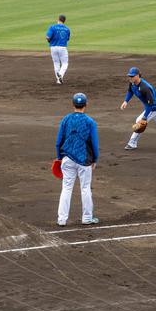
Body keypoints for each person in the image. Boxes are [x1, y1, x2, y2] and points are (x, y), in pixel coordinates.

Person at [55, 92, 100, 226]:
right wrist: (95, 159)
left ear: (73, 104)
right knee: (85, 188)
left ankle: (61, 219)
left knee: (66, 188)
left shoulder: (66, 120)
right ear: (86, 105)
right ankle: (87, 218)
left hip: (67, 158)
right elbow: (94, 143)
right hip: (84, 160)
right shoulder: (89, 122)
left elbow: (58, 141)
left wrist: (59, 157)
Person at [46, 15, 71, 84]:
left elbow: (47, 37)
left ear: (58, 19)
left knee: (56, 63)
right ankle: (60, 75)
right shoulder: (67, 29)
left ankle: (58, 79)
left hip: (53, 47)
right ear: (64, 21)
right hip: (62, 47)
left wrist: (50, 41)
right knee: (65, 63)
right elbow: (67, 39)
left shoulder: (52, 27)